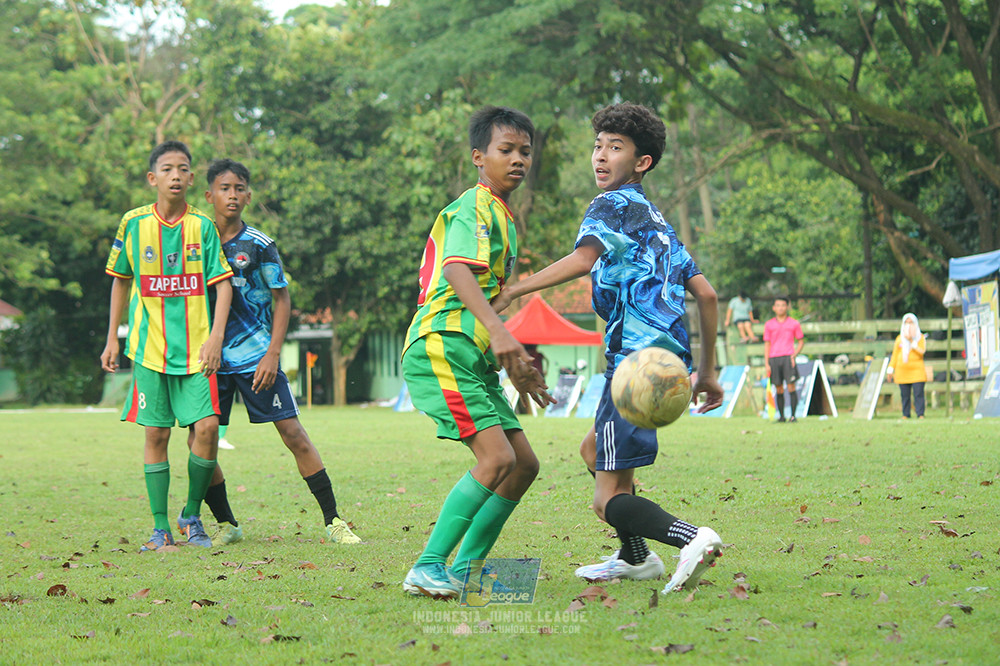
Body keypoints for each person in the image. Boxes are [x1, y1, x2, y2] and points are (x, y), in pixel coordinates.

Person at [493, 102, 725, 595]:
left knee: (606, 499)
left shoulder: (613, 205)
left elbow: (583, 258)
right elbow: (706, 294)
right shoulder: (657, 222)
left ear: (642, 162)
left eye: (615, 148)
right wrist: (706, 373)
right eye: (598, 145)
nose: (601, 156)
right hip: (669, 367)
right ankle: (636, 558)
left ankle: (691, 537)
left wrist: (516, 288)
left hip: (636, 369)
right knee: (592, 450)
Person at [400, 106, 554, 599]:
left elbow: (486, 298)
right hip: (442, 346)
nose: (517, 160)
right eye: (505, 150)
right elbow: (456, 271)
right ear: (478, 157)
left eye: (525, 152)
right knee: (495, 458)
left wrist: (512, 363)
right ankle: (427, 566)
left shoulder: (504, 216)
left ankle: (466, 568)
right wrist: (501, 333)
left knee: (524, 464)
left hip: (473, 355)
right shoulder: (474, 206)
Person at [187, 158, 361, 546]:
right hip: (209, 359)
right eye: (224, 188)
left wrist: (272, 353)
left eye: (239, 188)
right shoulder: (194, 241)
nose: (232, 195)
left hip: (254, 357)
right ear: (208, 194)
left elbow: (283, 300)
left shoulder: (259, 245)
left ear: (248, 195)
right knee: (200, 437)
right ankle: (227, 523)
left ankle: (333, 521)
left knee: (293, 432)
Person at [100, 140, 234, 552]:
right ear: (152, 177)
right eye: (167, 168)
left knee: (208, 429)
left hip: (197, 352)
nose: (176, 175)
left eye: (183, 168)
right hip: (148, 350)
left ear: (192, 178)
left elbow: (224, 283)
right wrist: (112, 338)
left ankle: (191, 515)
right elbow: (120, 280)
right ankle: (160, 529)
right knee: (156, 435)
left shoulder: (202, 227)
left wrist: (216, 338)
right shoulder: (133, 223)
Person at [763, 297, 805, 423]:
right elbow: (767, 344)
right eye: (778, 305)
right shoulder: (769, 325)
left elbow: (801, 341)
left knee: (791, 386)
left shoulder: (794, 323)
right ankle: (781, 416)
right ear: (774, 308)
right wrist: (766, 363)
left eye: (783, 305)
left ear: (787, 307)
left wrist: (794, 354)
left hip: (788, 357)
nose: (780, 308)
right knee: (779, 387)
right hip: (774, 358)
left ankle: (793, 416)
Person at [886, 312, 926, 419]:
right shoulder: (899, 339)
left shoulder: (920, 338)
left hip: (917, 370)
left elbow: (921, 352)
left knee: (918, 394)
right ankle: (905, 414)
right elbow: (894, 356)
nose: (909, 325)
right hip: (902, 371)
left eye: (911, 323)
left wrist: (911, 341)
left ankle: (920, 413)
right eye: (906, 323)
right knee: (905, 395)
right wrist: (890, 369)